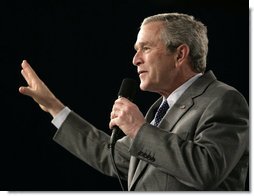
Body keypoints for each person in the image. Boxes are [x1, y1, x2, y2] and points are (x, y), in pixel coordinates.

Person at [19, 13, 249, 191]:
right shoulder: (159, 110)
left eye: (146, 49)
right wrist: (53, 106)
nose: (135, 59)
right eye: (136, 50)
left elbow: (206, 169)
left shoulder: (224, 100)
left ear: (180, 55)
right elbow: (107, 154)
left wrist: (139, 129)